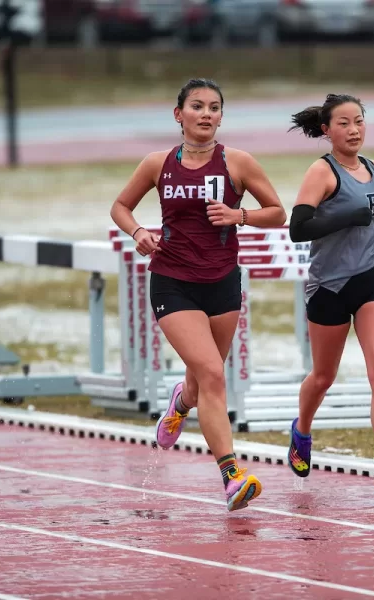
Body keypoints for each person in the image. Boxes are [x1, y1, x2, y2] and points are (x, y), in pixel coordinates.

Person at [109, 78, 287, 512]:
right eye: (197, 106)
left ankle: (180, 403)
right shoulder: (158, 164)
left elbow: (279, 213)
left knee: (201, 381)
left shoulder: (238, 162)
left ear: (221, 117)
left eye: (214, 108)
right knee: (211, 373)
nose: (206, 114)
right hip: (172, 280)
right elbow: (120, 206)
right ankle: (231, 476)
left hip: (222, 282)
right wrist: (138, 233)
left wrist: (239, 214)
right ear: (179, 115)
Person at [285, 93, 374, 492]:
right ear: (326, 130)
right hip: (329, 284)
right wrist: (347, 216)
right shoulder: (321, 172)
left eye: (359, 121)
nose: (354, 129)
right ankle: (302, 430)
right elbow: (298, 228)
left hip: (371, 276)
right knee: (324, 376)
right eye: (343, 123)